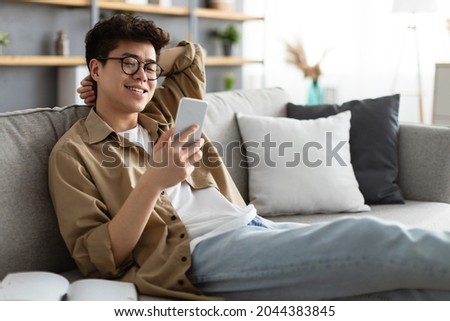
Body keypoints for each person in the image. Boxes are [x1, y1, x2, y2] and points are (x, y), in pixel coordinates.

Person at [50, 13, 450, 301]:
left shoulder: (162, 113)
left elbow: (191, 56)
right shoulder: (74, 154)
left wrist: (146, 63)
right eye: (128, 64)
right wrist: (154, 182)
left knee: (405, 294)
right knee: (372, 237)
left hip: (253, 227)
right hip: (198, 254)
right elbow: (98, 259)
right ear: (95, 69)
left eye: (150, 68)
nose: (142, 76)